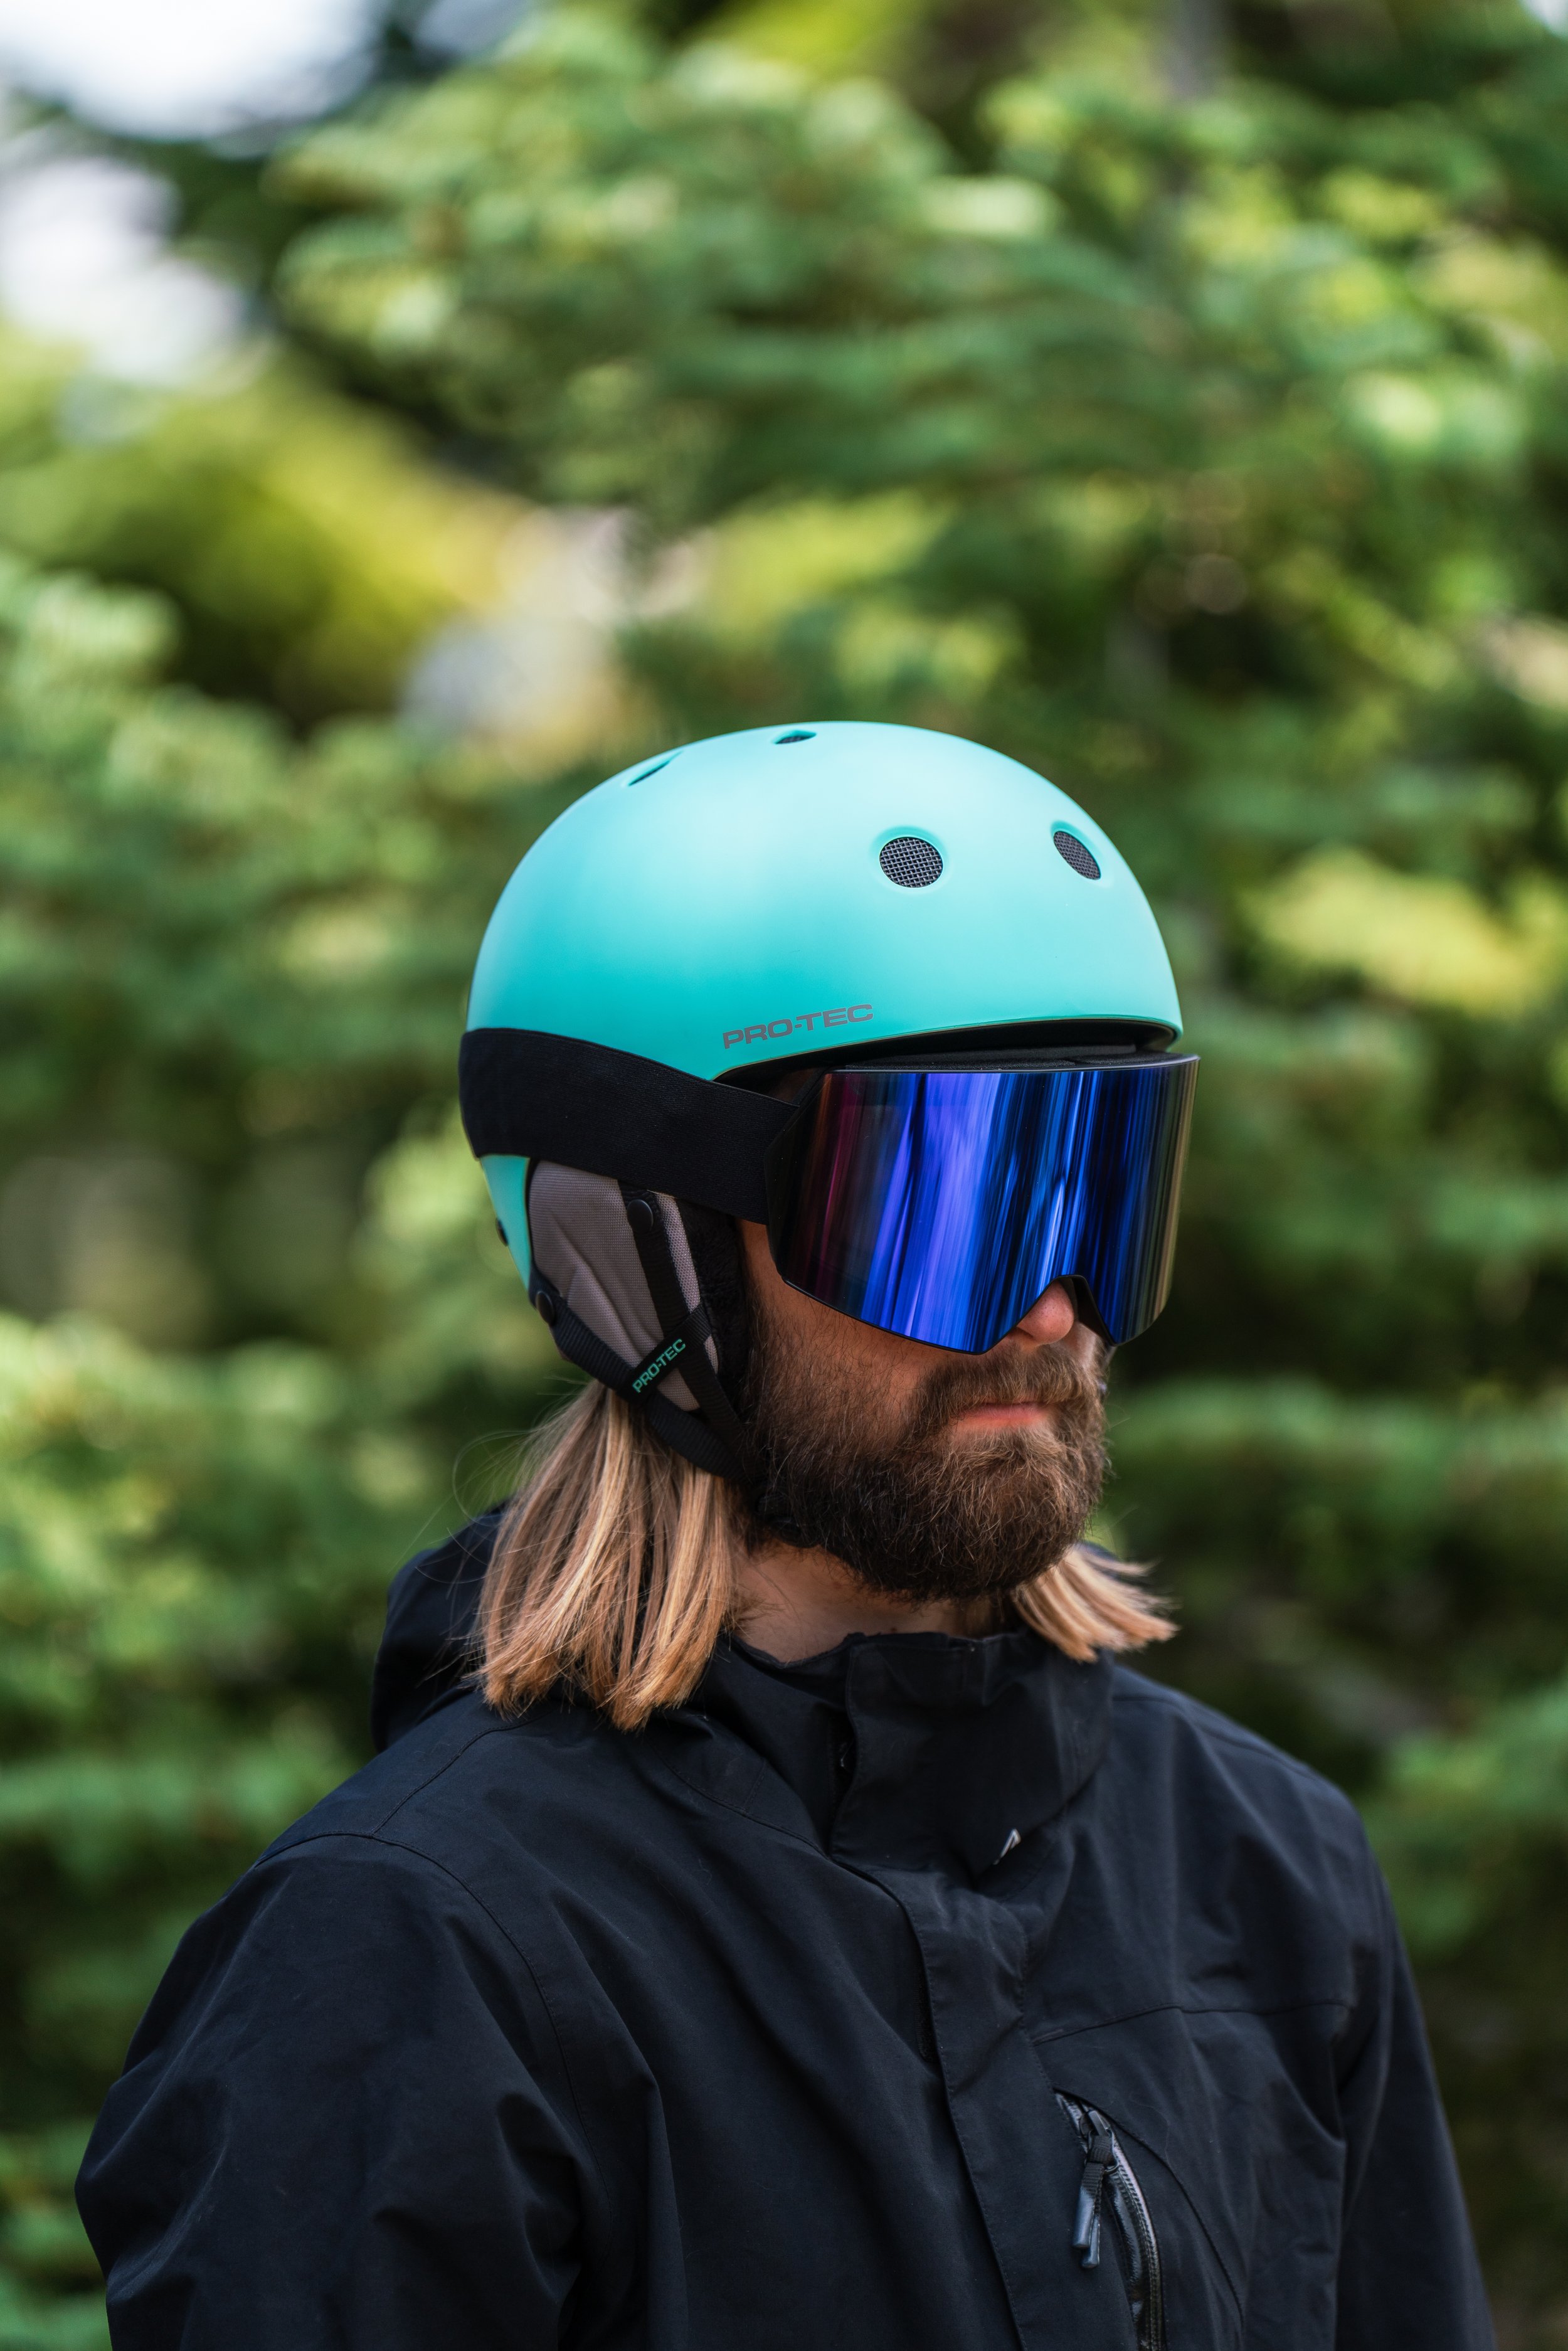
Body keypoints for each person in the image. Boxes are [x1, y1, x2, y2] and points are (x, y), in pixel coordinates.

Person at [78, 721, 1492, 2350]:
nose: (1047, 1308)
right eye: (945, 1209)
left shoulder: (1265, 1868)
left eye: (1098, 1185)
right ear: (641, 1252)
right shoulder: (413, 1955)